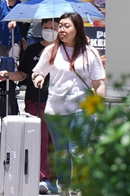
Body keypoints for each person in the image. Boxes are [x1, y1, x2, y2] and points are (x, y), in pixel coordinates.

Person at [32, 13, 105, 189]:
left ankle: (80, 189)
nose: (61, 30)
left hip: (82, 109)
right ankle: (64, 187)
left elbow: (99, 83)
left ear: (77, 29)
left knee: (78, 152)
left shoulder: (90, 52)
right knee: (62, 153)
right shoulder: (51, 50)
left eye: (67, 26)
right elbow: (38, 71)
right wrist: (39, 78)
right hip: (56, 111)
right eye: (61, 26)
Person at [1, 19, 56, 194]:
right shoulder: (32, 49)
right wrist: (8, 75)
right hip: (35, 100)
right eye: (47, 27)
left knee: (54, 141)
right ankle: (41, 177)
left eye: (54, 27)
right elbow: (23, 74)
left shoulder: (64, 52)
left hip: (57, 103)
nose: (50, 30)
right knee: (38, 139)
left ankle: (55, 177)